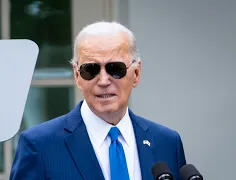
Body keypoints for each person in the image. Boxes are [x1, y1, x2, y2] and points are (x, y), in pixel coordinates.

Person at [10, 21, 186, 180]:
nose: (103, 81)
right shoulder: (40, 145)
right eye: (90, 69)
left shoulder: (167, 142)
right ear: (77, 75)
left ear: (136, 73)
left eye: (115, 68)